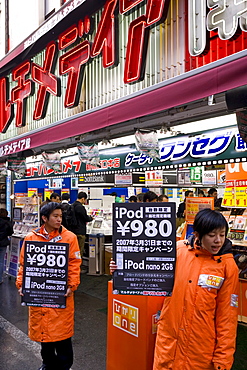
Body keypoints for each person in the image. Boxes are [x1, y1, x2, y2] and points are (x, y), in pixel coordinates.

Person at [153, 209, 239, 370]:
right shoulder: (178, 251)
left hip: (199, 349)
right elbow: (145, 272)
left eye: (222, 234)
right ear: (198, 234)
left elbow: (227, 317)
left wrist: (223, 359)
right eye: (212, 235)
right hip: (168, 343)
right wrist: (120, 270)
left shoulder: (228, 267)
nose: (218, 241)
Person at [16, 202, 81, 370]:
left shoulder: (70, 238)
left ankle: (65, 365)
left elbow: (74, 264)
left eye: (61, 216)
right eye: (56, 216)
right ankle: (47, 363)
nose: (60, 219)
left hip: (60, 294)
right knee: (44, 333)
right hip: (39, 295)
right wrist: (21, 284)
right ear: (45, 218)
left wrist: (71, 285)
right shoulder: (31, 237)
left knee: (62, 333)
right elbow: (24, 265)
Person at [72, 192, 93, 262]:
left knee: (73, 250)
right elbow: (85, 218)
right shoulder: (80, 207)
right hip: (80, 231)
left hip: (73, 231)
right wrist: (91, 218)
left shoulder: (72, 206)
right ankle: (78, 266)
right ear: (83, 199)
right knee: (79, 250)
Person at [0, 208, 13, 284]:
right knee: (1, 261)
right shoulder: (7, 222)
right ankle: (0, 278)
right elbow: (10, 232)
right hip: (3, 243)